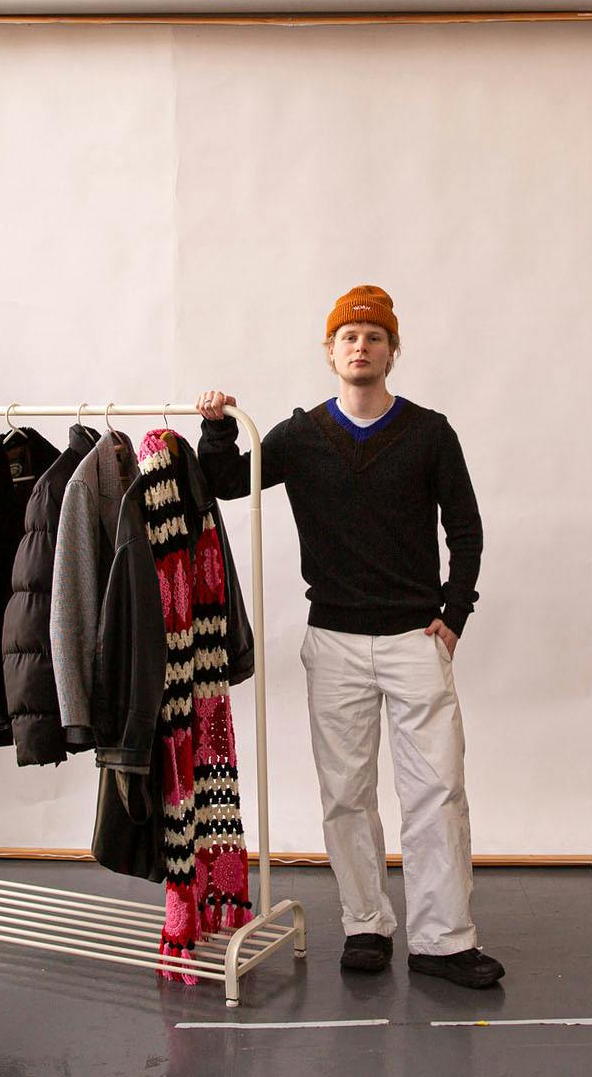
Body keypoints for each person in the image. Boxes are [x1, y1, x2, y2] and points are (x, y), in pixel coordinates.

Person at [194, 284, 502, 990]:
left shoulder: (429, 433)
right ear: (330, 352)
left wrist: (454, 615)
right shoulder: (302, 436)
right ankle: (366, 925)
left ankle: (443, 939)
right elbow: (229, 484)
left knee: (438, 792)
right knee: (345, 793)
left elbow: (466, 528)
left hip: (414, 640)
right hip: (332, 639)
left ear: (393, 350)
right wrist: (217, 428)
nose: (360, 346)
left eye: (373, 335)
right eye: (348, 336)